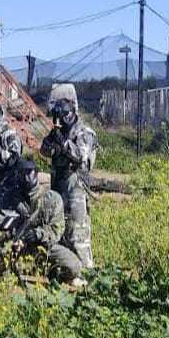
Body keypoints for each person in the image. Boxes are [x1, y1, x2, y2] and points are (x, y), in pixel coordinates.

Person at [0, 160, 85, 287]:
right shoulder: (10, 198)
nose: (26, 177)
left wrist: (38, 234)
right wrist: (13, 235)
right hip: (17, 247)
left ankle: (51, 274)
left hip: (44, 246)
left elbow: (57, 230)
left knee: (74, 266)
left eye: (29, 172)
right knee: (5, 267)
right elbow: (0, 222)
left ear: (36, 173)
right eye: (21, 173)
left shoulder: (52, 199)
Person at [40, 98, 98, 269]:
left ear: (72, 113)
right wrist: (52, 140)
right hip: (59, 185)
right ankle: (67, 271)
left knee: (77, 232)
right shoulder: (59, 132)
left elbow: (81, 157)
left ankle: (86, 271)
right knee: (60, 229)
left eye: (64, 115)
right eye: (58, 116)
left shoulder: (84, 132)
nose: (61, 119)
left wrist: (64, 143)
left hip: (76, 187)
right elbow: (44, 151)